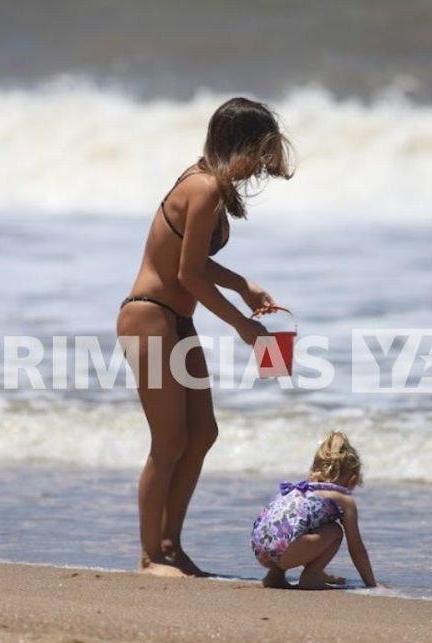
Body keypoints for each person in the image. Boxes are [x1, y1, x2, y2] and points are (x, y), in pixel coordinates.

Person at [117, 97, 294, 577]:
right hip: (150, 317)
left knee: (202, 434)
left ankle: (171, 546)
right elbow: (188, 273)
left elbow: (192, 261)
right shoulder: (205, 188)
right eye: (258, 153)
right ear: (239, 147)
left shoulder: (207, 182)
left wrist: (243, 284)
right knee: (169, 439)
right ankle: (150, 555)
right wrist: (243, 325)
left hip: (175, 319)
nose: (260, 165)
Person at [251, 431, 378, 590]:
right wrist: (372, 585)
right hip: (286, 550)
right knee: (335, 531)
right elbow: (356, 549)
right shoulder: (344, 500)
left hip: (260, 549)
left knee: (298, 529)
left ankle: (274, 575)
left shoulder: (299, 489)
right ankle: (311, 575)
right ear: (353, 478)